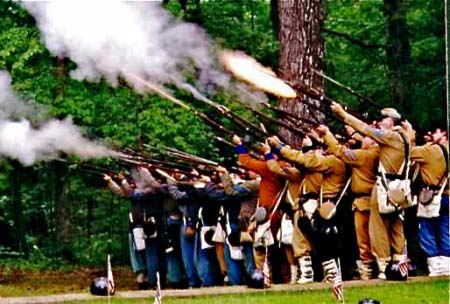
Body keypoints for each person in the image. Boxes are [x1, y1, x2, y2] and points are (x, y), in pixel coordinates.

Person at [331, 103, 414, 279]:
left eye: (382, 120)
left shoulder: (390, 136)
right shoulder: (406, 137)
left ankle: (384, 266)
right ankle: (400, 264)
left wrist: (342, 113)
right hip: (399, 187)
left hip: (385, 186)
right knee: (397, 225)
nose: (379, 123)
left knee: (378, 228)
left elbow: (364, 129)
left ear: (391, 122)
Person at [316, 125, 380, 280]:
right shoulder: (372, 152)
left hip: (364, 200)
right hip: (364, 200)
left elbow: (341, 151)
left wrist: (327, 134)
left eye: (365, 137)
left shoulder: (365, 155)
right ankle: (368, 268)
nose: (362, 138)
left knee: (365, 239)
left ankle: (369, 270)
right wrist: (352, 133)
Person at [410, 128, 449, 276]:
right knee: (445, 229)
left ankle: (435, 266)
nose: (431, 134)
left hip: (432, 195)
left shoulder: (431, 151)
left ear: (444, 133)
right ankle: (446, 265)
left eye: (435, 131)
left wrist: (410, 135)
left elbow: (409, 152)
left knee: (426, 230)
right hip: (447, 194)